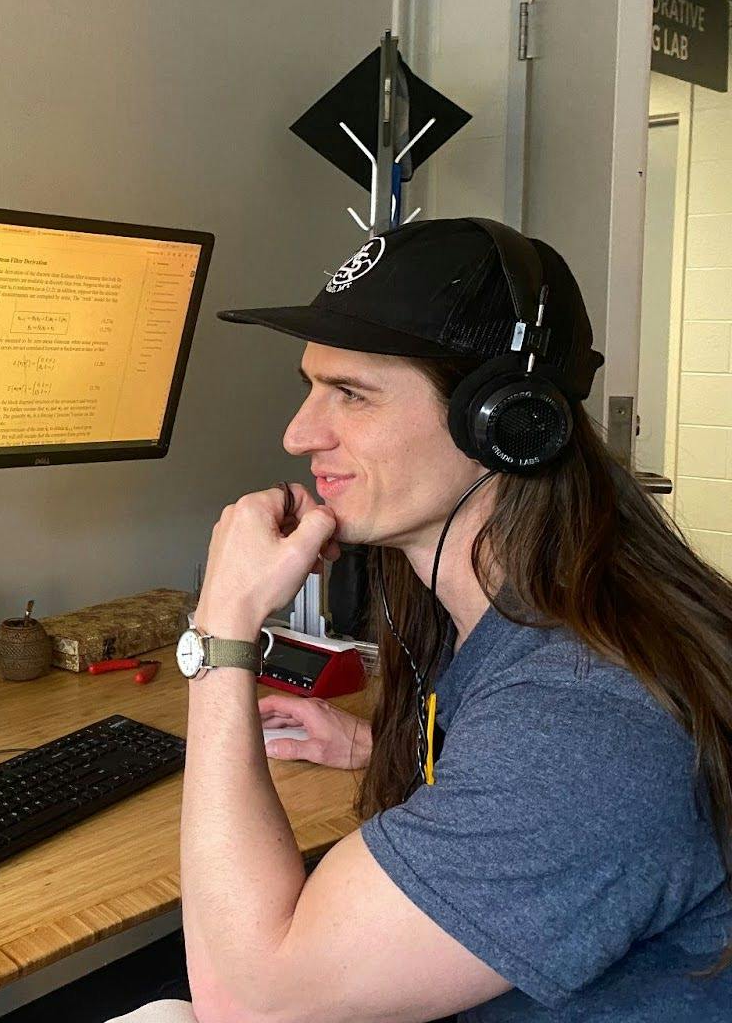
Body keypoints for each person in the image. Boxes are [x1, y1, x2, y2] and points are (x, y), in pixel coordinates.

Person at [119, 219, 732, 1022]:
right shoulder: (545, 617)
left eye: (352, 394)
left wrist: (223, 629)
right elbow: (551, 787)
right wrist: (379, 745)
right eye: (311, 387)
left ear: (504, 425)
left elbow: (252, 1003)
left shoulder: (586, 719)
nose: (299, 434)